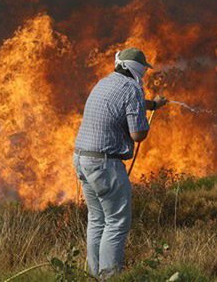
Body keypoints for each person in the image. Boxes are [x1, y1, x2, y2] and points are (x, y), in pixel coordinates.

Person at [73, 47, 168, 279]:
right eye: (144, 69)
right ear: (138, 69)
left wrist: (151, 105)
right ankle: (111, 277)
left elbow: (122, 104)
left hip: (82, 159)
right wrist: (146, 121)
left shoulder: (104, 83)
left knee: (97, 220)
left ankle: (94, 275)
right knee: (116, 222)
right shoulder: (132, 88)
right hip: (106, 165)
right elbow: (137, 134)